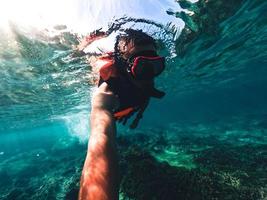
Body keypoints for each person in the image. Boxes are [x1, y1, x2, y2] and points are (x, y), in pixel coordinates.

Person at [77, 29, 166, 199]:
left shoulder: (143, 81)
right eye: (142, 67)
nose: (149, 76)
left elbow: (145, 93)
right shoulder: (106, 92)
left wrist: (138, 115)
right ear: (124, 66)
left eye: (156, 66)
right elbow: (101, 135)